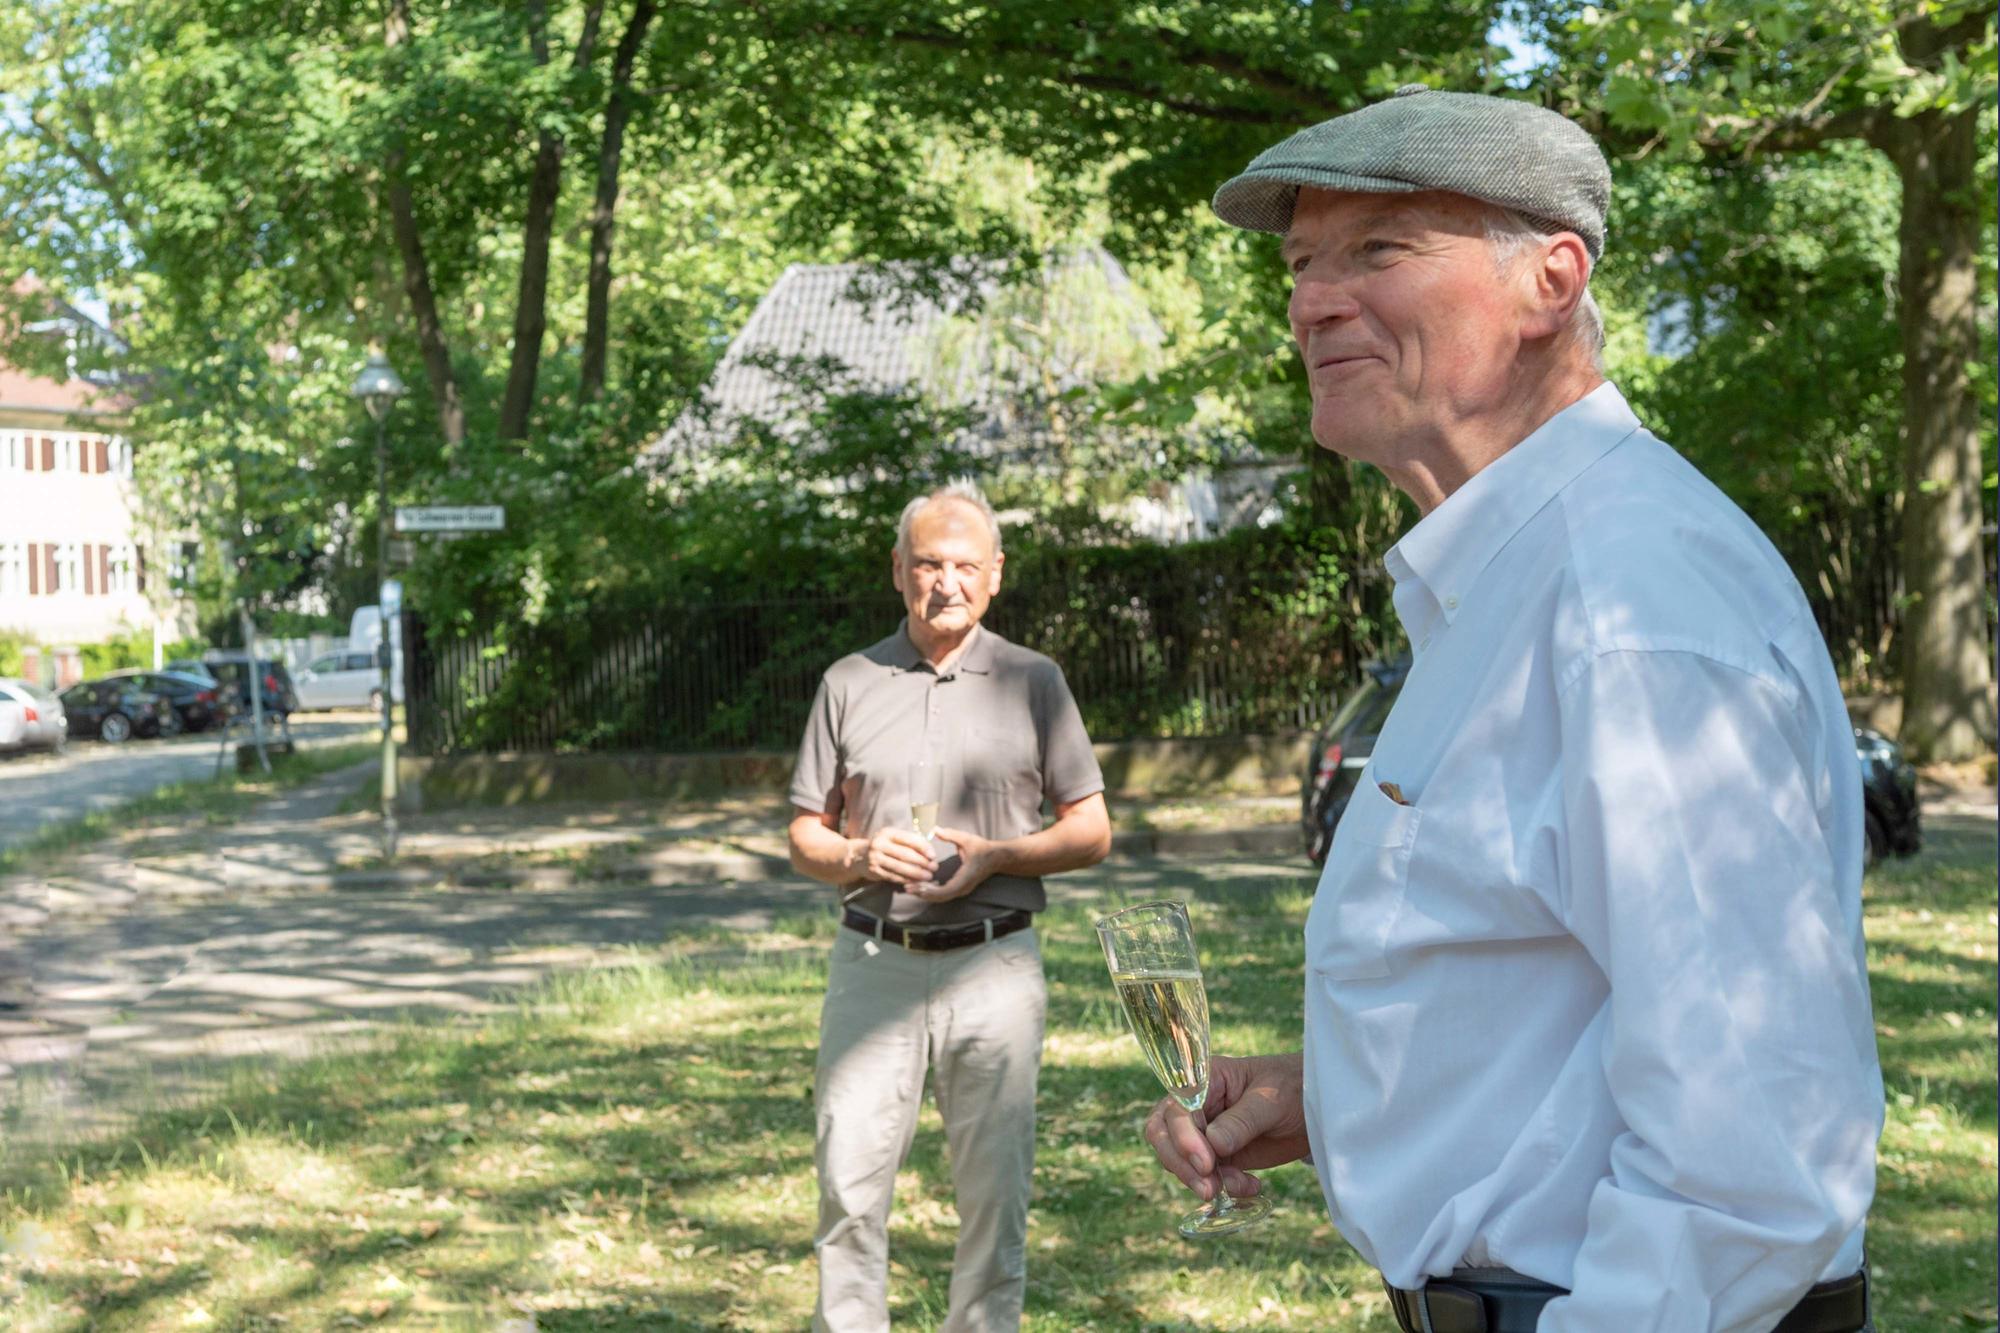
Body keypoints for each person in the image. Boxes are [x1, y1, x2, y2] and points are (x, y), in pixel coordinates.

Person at [1142, 87, 1883, 1333]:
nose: (1313, 300)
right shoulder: (1516, 574)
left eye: (1379, 249)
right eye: (1302, 261)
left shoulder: (1625, 599)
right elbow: (1566, 996)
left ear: (1551, 282)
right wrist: (1347, 1102)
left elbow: (1753, 1159)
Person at [788, 480, 1112, 1332]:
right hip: (873, 965)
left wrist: (997, 857)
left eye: (966, 565)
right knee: (850, 1192)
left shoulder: (1034, 680)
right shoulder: (848, 682)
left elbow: (1092, 831)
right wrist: (858, 854)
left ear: (996, 574)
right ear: (898, 571)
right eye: (929, 563)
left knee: (993, 1204)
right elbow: (801, 838)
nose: (948, 582)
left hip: (994, 966)